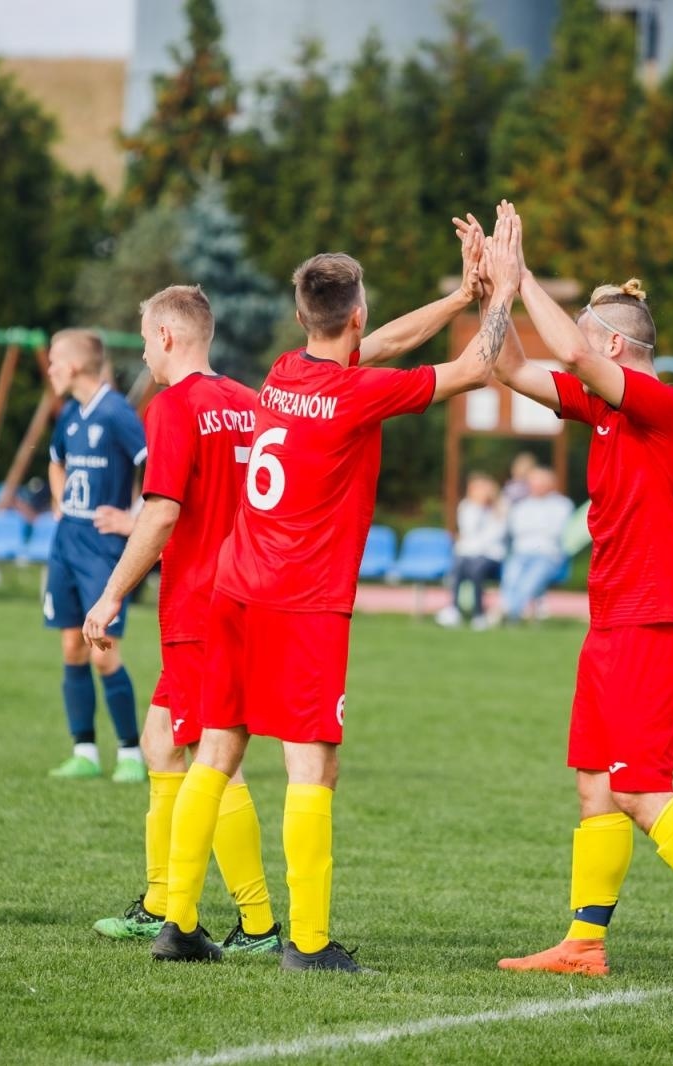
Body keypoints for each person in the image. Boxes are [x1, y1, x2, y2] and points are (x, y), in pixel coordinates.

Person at [152, 215, 520, 972]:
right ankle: (309, 943)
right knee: (311, 767)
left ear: (301, 318)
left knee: (217, 751)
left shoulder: (283, 375)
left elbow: (375, 348)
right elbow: (478, 369)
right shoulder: (355, 397)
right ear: (355, 313)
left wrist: (459, 298)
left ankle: (179, 923)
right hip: (303, 603)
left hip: (234, 591)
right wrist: (501, 295)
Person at [489, 201, 673, 987]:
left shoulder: (665, 404)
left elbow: (573, 357)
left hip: (657, 618)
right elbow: (511, 368)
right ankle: (585, 944)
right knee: (595, 782)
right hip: (615, 620)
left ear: (616, 346)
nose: (578, 345)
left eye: (589, 335)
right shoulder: (605, 405)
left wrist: (523, 278)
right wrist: (491, 292)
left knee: (638, 788)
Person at [77, 286, 282, 954]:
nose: (141, 350)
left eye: (144, 336)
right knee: (163, 741)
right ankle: (163, 901)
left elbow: (163, 511)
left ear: (168, 336)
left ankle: (255, 923)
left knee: (213, 758)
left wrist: (109, 596)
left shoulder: (174, 406)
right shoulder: (251, 405)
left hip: (200, 605)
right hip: (246, 599)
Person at [41, 330, 149, 783]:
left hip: (104, 550)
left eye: (52, 362)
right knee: (71, 646)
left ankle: (130, 753)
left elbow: (156, 466)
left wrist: (134, 519)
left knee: (103, 651)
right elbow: (54, 460)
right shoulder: (68, 414)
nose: (48, 370)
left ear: (72, 367)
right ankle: (84, 750)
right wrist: (58, 502)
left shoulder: (118, 413)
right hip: (67, 545)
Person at [497, 466, 575, 624]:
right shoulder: (522, 505)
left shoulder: (562, 504)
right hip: (521, 552)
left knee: (529, 583)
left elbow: (555, 531)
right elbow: (515, 528)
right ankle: (510, 613)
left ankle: (509, 614)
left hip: (547, 554)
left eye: (540, 482)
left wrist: (532, 528)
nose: (536, 486)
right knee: (510, 578)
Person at [436, 471, 506, 630]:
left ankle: (478, 613)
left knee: (477, 568)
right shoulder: (467, 506)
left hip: (491, 555)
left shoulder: (501, 508)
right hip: (468, 554)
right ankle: (453, 608)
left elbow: (495, 535)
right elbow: (468, 531)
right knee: (458, 565)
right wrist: (477, 508)